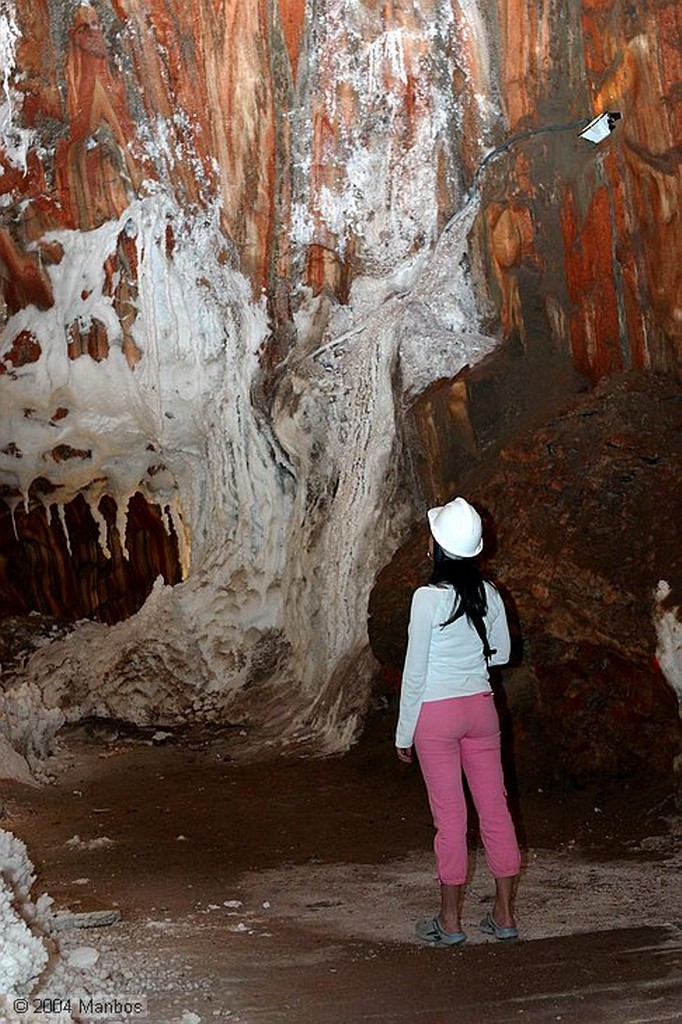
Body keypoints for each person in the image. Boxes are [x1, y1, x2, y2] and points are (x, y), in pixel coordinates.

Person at [395, 496, 521, 947]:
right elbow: (502, 653)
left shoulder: (427, 599)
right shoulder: (488, 594)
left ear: (439, 548)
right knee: (496, 809)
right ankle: (503, 915)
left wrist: (403, 732)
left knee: (450, 820)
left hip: (437, 715)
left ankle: (450, 922)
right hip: (481, 709)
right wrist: (473, 659)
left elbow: (415, 671)